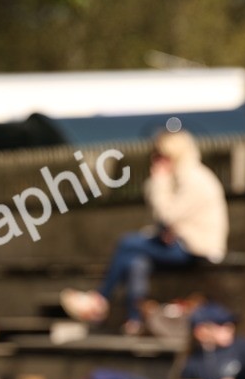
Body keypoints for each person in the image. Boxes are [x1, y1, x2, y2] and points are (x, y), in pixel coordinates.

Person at [61, 129, 228, 334]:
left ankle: (100, 299)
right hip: (180, 242)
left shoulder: (194, 179)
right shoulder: (180, 177)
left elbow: (166, 215)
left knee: (127, 243)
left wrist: (159, 180)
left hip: (198, 249)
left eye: (160, 156)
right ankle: (134, 320)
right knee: (135, 261)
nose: (155, 161)